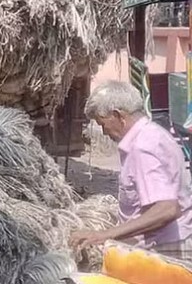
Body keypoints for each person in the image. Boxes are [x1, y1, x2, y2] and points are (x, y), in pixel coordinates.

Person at [71, 81, 192, 259]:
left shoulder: (143, 146)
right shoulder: (154, 134)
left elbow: (167, 208)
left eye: (102, 124)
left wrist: (106, 234)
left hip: (163, 249)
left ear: (118, 116)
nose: (104, 132)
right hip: (168, 242)